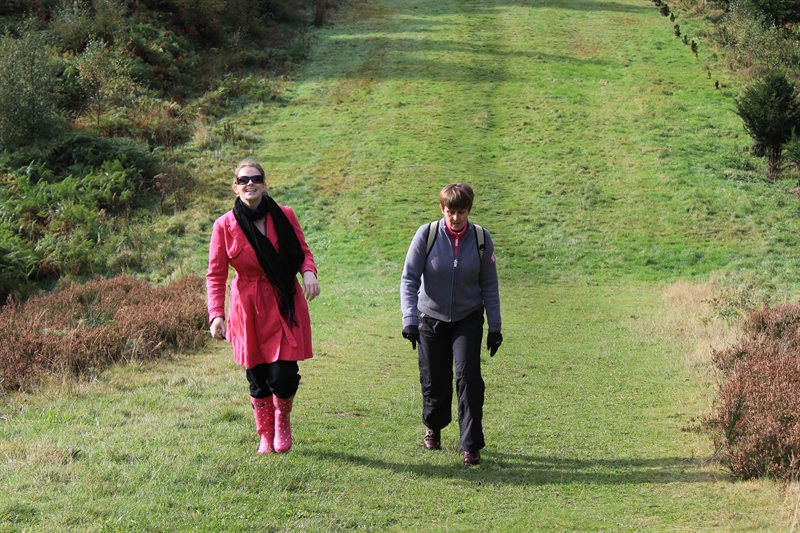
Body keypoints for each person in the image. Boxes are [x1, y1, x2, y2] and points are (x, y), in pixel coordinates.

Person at [207, 159, 320, 455]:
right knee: (257, 375)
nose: (250, 184)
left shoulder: (285, 215)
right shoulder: (224, 226)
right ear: (235, 186)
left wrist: (308, 272)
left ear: (265, 184)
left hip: (284, 301)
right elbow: (216, 274)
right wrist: (216, 314)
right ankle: (265, 434)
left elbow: (303, 251)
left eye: (255, 179)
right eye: (243, 180)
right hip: (247, 307)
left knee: (282, 374)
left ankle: (282, 419)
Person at [400, 183, 502, 466]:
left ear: (469, 210)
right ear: (442, 209)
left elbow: (490, 285)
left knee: (469, 379)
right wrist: (409, 319)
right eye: (450, 211)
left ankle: (470, 444)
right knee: (435, 379)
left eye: (461, 211)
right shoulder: (427, 235)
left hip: (467, 318)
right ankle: (433, 426)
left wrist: (495, 326)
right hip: (430, 317)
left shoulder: (481, 238)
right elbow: (409, 279)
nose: (455, 217)